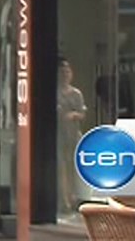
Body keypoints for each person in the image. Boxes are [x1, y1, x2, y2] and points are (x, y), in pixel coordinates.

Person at [57, 58, 86, 212]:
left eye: (67, 72)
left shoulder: (76, 94)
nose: (65, 75)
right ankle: (64, 199)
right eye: (62, 72)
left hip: (73, 134)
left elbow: (82, 113)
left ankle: (74, 196)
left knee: (72, 167)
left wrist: (74, 115)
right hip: (60, 134)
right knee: (62, 165)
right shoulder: (55, 93)